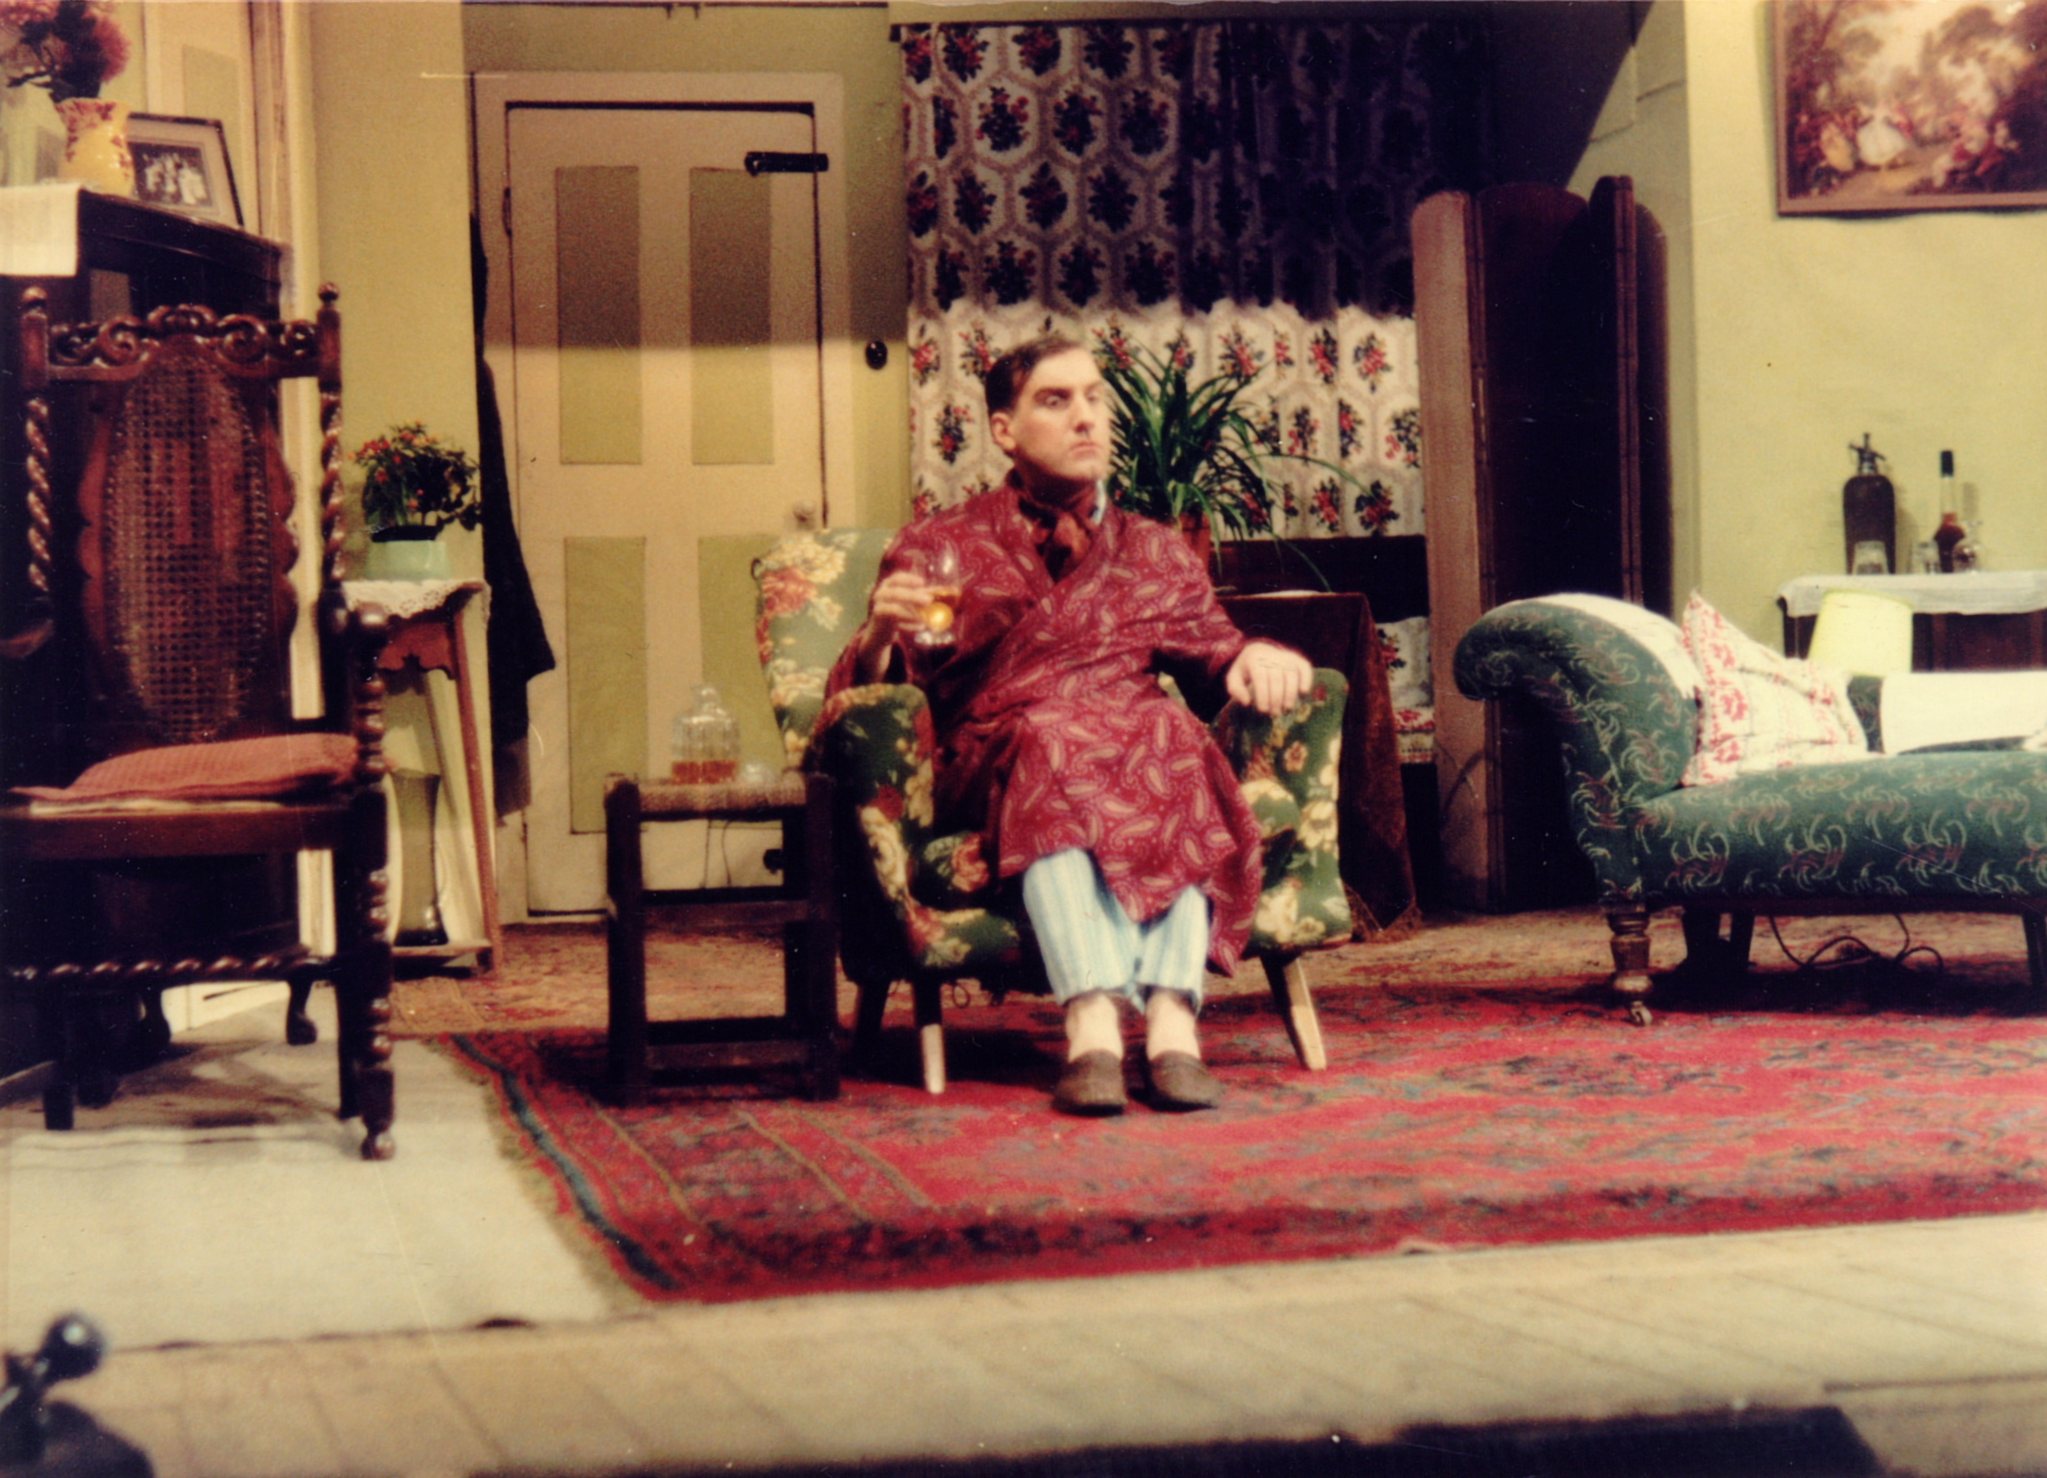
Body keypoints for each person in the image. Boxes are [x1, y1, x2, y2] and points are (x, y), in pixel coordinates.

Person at [827, 335, 1314, 1116]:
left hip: (1134, 745)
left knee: (1169, 732)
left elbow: (1214, 650)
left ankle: (1171, 1025)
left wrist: (1253, 654)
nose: (1085, 417)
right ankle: (1090, 1024)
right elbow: (871, 701)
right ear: (1004, 429)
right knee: (1058, 732)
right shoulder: (937, 545)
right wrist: (880, 635)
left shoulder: (1153, 550)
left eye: (1093, 397)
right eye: (1055, 401)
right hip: (996, 755)